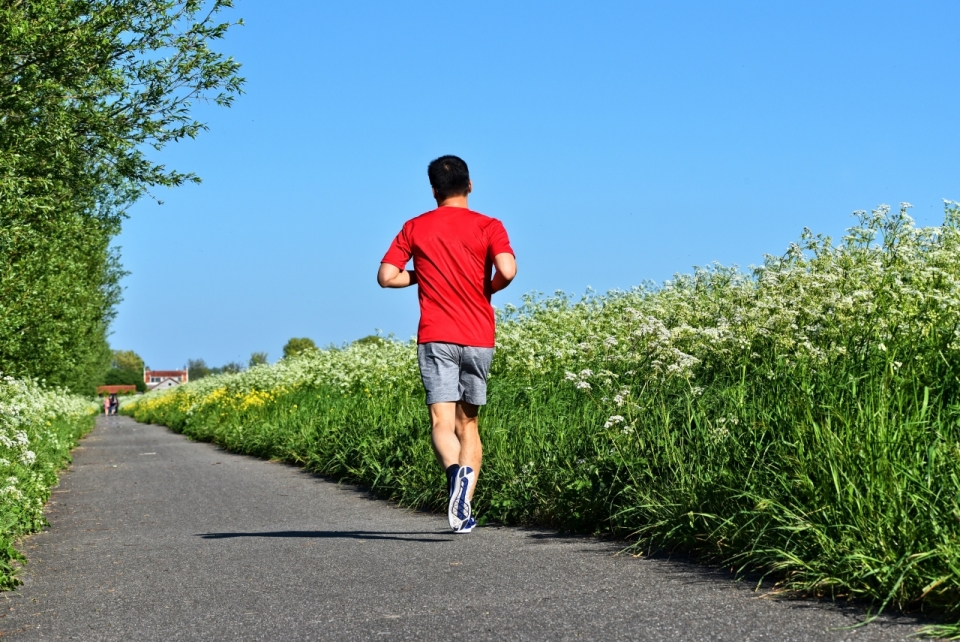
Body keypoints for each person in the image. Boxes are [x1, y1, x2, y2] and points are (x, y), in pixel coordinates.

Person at [378, 155, 516, 534]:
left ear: (434, 190)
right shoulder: (489, 225)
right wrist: (487, 288)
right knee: (468, 424)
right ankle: (464, 504)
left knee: (441, 421)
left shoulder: (415, 227)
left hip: (436, 334)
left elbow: (386, 277)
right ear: (470, 186)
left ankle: (455, 476)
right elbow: (507, 270)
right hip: (478, 334)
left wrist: (421, 275)